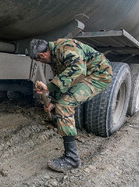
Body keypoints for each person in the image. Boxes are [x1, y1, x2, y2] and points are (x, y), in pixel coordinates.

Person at [29, 38, 113, 172]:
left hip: (98, 75)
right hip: (85, 73)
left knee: (65, 104)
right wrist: (52, 103)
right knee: (60, 102)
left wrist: (48, 87)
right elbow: (63, 79)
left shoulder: (65, 49)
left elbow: (78, 69)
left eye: (39, 61)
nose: (41, 63)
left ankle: (72, 159)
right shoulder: (55, 55)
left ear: (42, 55)